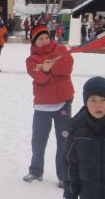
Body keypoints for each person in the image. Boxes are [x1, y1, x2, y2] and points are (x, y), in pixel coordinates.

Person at [23, 25, 74, 186]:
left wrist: (49, 67)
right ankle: (35, 171)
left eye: (46, 37)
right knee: (38, 141)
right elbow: (40, 79)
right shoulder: (31, 60)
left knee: (64, 142)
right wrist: (44, 71)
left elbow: (67, 67)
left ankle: (63, 176)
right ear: (34, 42)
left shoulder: (60, 50)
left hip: (63, 104)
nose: (44, 41)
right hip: (42, 107)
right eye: (40, 39)